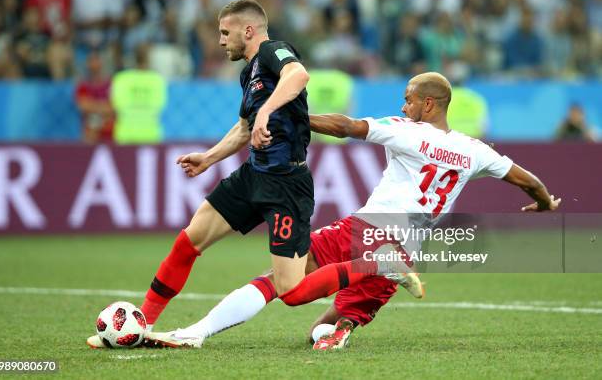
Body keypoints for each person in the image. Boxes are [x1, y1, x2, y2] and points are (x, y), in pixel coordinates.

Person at [141, 72, 561, 351]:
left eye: (410, 100)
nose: (404, 106)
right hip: (405, 245)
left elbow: (346, 127)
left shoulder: (406, 132)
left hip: (362, 228)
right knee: (321, 328)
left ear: (429, 105)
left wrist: (292, 115)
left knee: (278, 282)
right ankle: (337, 328)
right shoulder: (476, 151)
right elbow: (529, 181)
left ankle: (195, 332)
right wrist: (544, 204)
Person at [87, 0, 316, 348]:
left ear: (249, 30)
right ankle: (142, 325)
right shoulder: (248, 74)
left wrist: (268, 110)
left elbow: (298, 74)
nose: (221, 40)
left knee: (291, 290)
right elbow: (243, 128)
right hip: (253, 176)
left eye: (226, 32)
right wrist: (209, 158)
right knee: (188, 242)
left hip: (287, 184)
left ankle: (368, 269)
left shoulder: (274, 51)